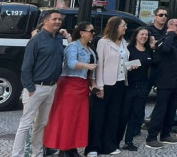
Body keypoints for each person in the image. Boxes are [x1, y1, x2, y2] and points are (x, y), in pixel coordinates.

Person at [13, 9, 68, 157]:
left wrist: (67, 36)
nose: (57, 21)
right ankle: (16, 154)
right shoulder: (35, 41)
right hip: (36, 87)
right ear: (45, 21)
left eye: (59, 19)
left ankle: (37, 153)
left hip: (51, 87)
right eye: (54, 19)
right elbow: (26, 67)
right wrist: (30, 88)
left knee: (41, 124)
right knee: (25, 124)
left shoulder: (58, 39)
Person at [44, 21, 96, 157]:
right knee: (67, 118)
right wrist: (87, 66)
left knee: (78, 119)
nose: (93, 34)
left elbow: (93, 69)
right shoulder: (73, 46)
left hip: (82, 86)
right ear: (82, 33)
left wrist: (93, 83)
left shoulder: (90, 49)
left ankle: (72, 147)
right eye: (91, 31)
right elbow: (71, 64)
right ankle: (63, 148)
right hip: (70, 85)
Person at [87, 16, 130, 157]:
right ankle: (93, 146)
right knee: (98, 116)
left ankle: (109, 145)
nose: (125, 27)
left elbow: (122, 61)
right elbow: (99, 66)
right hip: (106, 83)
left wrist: (130, 66)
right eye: (123, 25)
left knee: (113, 116)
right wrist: (99, 86)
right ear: (115, 26)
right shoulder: (103, 42)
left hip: (120, 83)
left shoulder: (123, 42)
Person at [145, 18, 177, 149]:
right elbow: (165, 50)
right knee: (160, 110)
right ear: (170, 26)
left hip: (176, 81)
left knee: (171, 109)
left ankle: (165, 134)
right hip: (165, 81)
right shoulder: (164, 39)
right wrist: (171, 34)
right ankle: (151, 137)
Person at [120, 26, 154, 151]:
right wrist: (130, 66)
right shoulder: (128, 49)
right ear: (136, 35)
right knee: (124, 114)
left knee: (136, 115)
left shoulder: (148, 50)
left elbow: (151, 67)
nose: (144, 36)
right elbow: (121, 65)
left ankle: (128, 140)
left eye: (146, 35)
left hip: (143, 86)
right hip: (129, 86)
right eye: (142, 34)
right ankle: (117, 139)